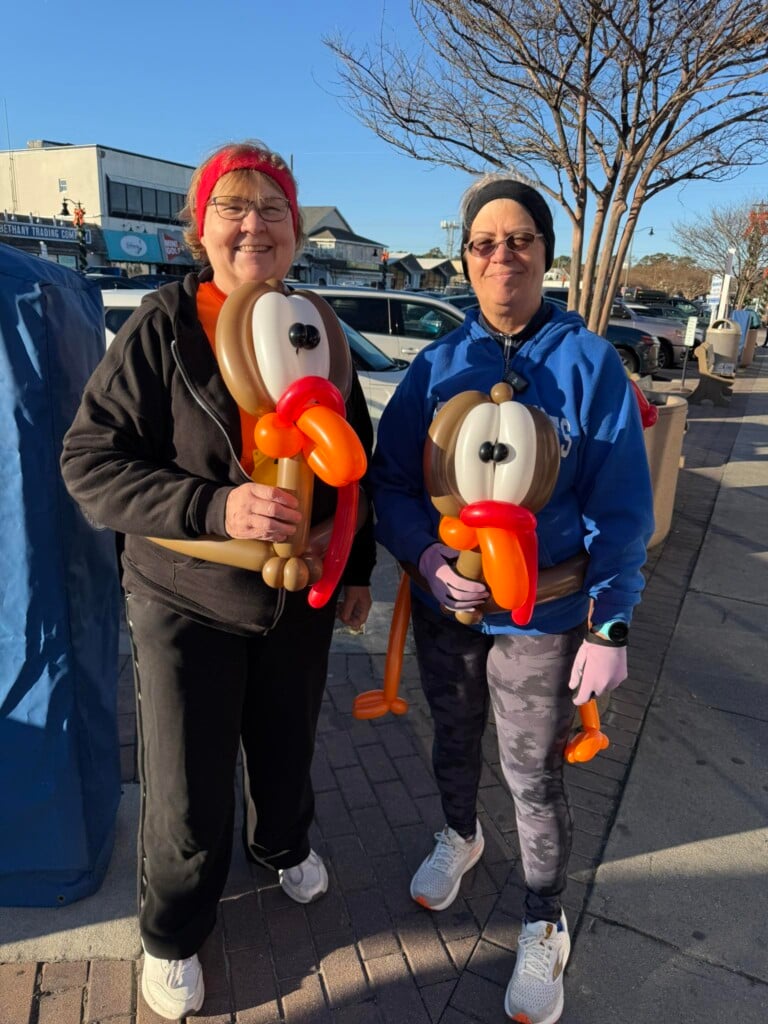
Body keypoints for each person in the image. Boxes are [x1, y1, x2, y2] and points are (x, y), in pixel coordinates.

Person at [60, 141, 375, 1021]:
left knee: (287, 750)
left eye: (271, 207)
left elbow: (355, 461)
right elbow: (89, 463)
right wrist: (213, 508)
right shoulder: (162, 324)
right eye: (231, 208)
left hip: (298, 597)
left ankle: (282, 847)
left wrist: (356, 564)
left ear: (295, 230)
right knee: (188, 787)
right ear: (200, 229)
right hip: (185, 600)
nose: (253, 224)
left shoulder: (317, 322)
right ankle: (172, 930)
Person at [370, 176, 654, 1024]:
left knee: (532, 774)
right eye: (485, 242)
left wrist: (611, 622)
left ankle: (543, 919)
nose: (503, 255)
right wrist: (421, 555)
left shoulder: (589, 363)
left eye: (520, 238)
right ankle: (459, 834)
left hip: (548, 613)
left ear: (543, 253)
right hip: (450, 606)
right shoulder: (435, 364)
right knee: (453, 739)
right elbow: (391, 484)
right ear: (466, 258)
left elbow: (622, 510)